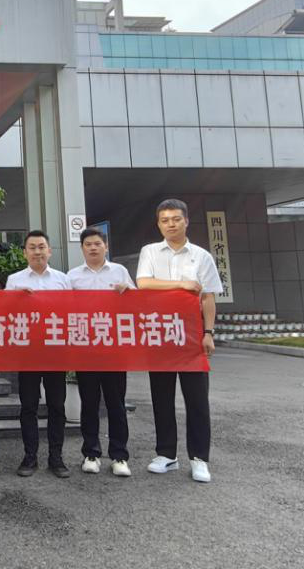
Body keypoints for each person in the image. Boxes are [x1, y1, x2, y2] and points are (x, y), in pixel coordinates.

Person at [136, 198, 221, 484]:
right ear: (159, 224)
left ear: (186, 220)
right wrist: (182, 284)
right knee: (161, 397)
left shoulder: (201, 256)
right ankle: (166, 454)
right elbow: (144, 283)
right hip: (159, 334)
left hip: (192, 337)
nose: (170, 224)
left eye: (175, 219)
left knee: (197, 399)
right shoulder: (150, 251)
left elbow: (208, 297)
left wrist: (209, 333)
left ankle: (199, 458)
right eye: (165, 220)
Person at [65, 227, 135, 478]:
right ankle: (91, 453)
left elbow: (137, 303)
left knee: (116, 404)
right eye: (88, 244)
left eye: (97, 243)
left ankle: (119, 455)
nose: (93, 248)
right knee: (89, 403)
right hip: (86, 348)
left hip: (114, 348)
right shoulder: (72, 277)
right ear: (82, 248)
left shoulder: (120, 272)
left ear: (106, 246)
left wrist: (128, 292)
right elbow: (63, 308)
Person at [6, 230, 71, 478]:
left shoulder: (63, 280)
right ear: (24, 253)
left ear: (50, 251)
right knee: (29, 406)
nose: (37, 251)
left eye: (41, 247)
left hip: (55, 351)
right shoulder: (14, 280)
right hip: (28, 352)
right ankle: (29, 456)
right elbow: (5, 314)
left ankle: (56, 457)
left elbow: (72, 312)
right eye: (32, 247)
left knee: (57, 405)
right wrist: (17, 300)